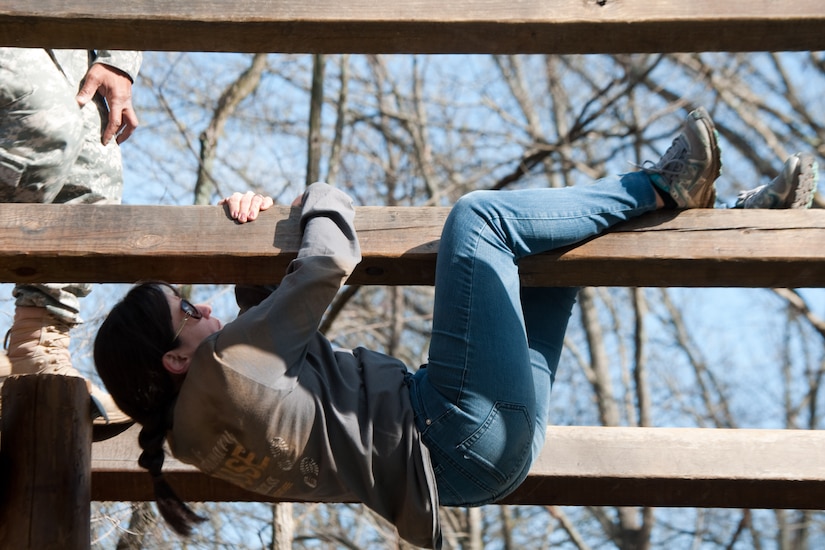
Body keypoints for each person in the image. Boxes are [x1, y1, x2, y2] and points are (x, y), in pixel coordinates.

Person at [93, 108, 818, 548]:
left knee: (556, 255)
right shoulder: (227, 367)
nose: (208, 313)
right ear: (175, 361)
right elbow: (328, 260)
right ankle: (663, 184)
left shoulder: (197, 437)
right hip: (450, 424)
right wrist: (310, 195)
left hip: (479, 468)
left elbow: (280, 353)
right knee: (480, 220)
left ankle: (734, 217)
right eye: (190, 313)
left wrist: (258, 234)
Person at [0, 47, 141, 435]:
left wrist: (118, 61)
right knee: (45, 123)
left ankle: (37, 340)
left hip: (67, 40)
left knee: (98, 162)